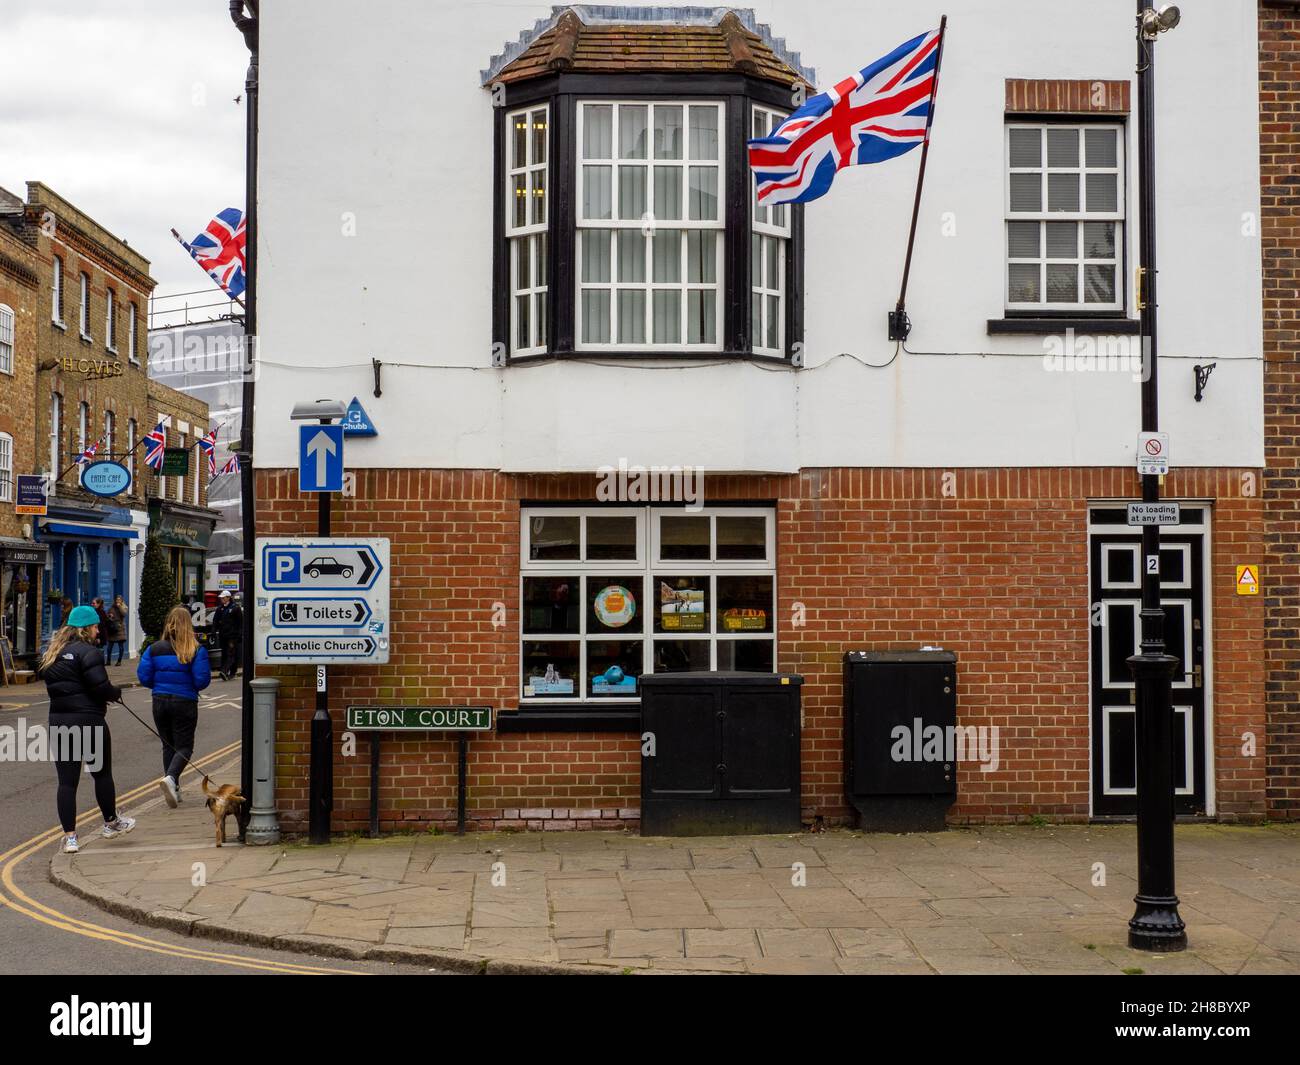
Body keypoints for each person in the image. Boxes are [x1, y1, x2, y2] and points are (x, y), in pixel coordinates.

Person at [38, 605, 135, 854]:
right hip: (90, 722)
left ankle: (70, 838)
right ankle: (111, 823)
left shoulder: (52, 654)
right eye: (95, 627)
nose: (97, 631)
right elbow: (101, 687)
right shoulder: (89, 653)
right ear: (86, 628)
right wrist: (115, 693)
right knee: (101, 775)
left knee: (66, 783)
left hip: (60, 724)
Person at [137, 606, 211, 807]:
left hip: (159, 700)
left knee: (168, 745)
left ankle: (174, 788)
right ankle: (171, 779)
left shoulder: (154, 649)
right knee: (184, 746)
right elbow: (201, 681)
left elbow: (144, 677)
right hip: (184, 701)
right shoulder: (196, 649)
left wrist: (160, 685)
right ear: (188, 625)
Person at [213, 590, 242, 681]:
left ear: (228, 598)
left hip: (232, 636)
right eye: (221, 598)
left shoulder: (235, 608)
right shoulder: (220, 609)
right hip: (223, 635)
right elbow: (215, 621)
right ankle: (230, 671)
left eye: (223, 598)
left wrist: (239, 634)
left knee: (231, 653)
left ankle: (225, 671)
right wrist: (214, 631)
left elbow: (240, 623)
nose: (222, 599)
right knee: (225, 653)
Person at [106, 595, 129, 665]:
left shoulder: (124, 607)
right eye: (117, 599)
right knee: (109, 647)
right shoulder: (112, 607)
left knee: (120, 646)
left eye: (119, 599)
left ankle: (119, 661)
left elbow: (124, 614)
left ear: (122, 600)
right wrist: (110, 616)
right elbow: (108, 615)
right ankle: (108, 661)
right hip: (112, 628)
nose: (118, 601)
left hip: (120, 628)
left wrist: (119, 607)